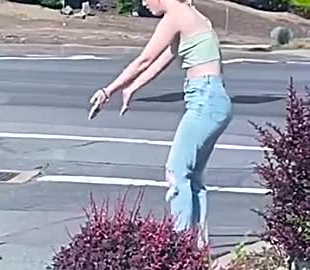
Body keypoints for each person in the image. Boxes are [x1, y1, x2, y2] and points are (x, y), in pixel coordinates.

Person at [88, 0, 233, 248]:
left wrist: (107, 90)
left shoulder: (176, 15)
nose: (143, 3)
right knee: (192, 177)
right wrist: (131, 88)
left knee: (176, 172)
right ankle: (197, 249)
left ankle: (180, 248)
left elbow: (144, 59)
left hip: (204, 100)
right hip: (213, 99)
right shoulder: (191, 16)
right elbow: (161, 61)